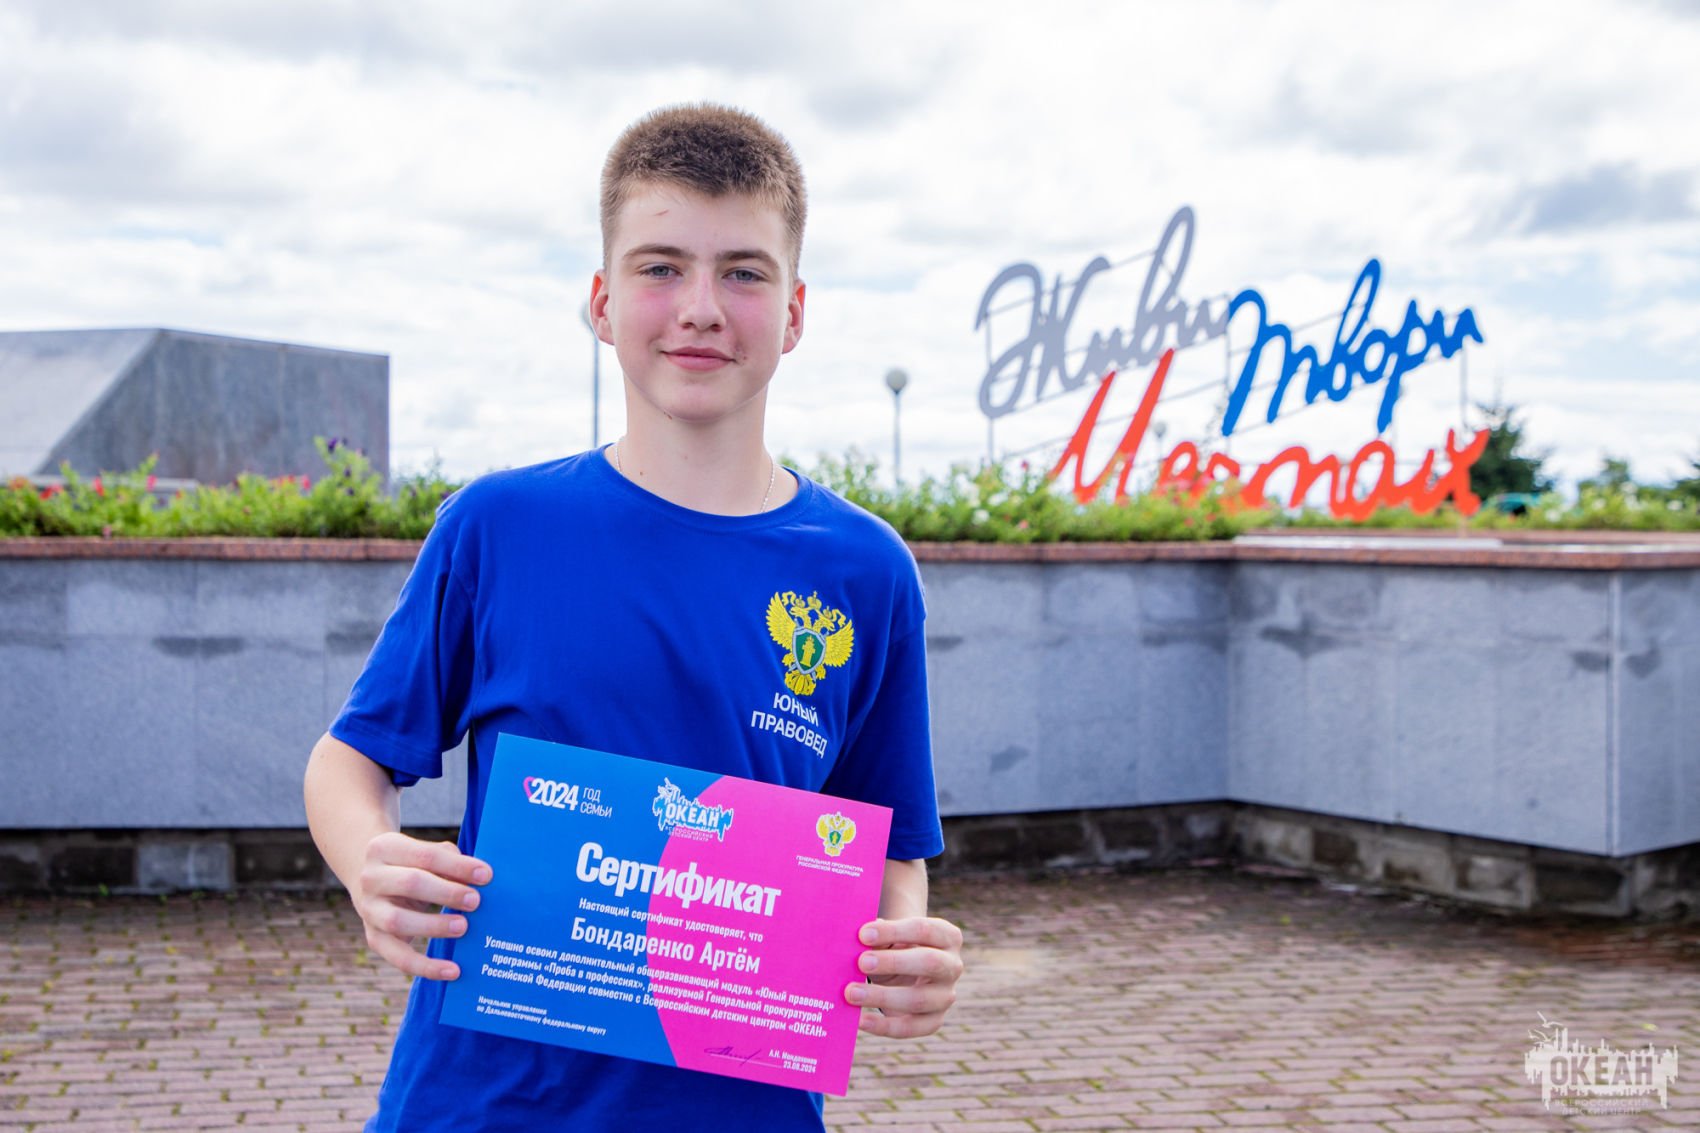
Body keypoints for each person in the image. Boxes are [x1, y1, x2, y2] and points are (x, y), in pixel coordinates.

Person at [303, 103, 963, 1132]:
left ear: (794, 313)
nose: (700, 308)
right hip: (481, 1104)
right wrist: (368, 863)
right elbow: (348, 762)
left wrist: (901, 948)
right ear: (603, 303)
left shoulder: (864, 571)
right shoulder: (498, 526)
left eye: (743, 273)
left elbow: (884, 845)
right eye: (661, 267)